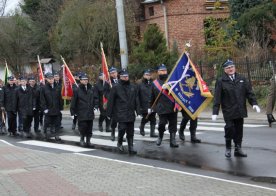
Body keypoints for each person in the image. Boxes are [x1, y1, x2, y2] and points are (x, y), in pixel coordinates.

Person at [212, 59, 261, 158]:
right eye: (228, 68)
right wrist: (215, 112)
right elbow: (217, 97)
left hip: (240, 109)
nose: (230, 69)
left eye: (232, 67)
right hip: (228, 110)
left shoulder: (241, 78)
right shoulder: (221, 81)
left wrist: (254, 104)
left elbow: (249, 93)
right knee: (230, 128)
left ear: (235, 67)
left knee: (239, 130)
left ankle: (238, 149)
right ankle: (228, 148)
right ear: (225, 70)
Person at [107, 69, 140, 155]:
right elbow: (111, 101)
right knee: (121, 129)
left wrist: (138, 111)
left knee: (130, 131)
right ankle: (120, 142)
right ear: (120, 77)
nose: (126, 78)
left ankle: (130, 147)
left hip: (130, 113)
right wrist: (109, 114)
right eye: (124, 77)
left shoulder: (133, 87)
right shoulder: (115, 87)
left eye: (127, 76)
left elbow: (136, 100)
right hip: (120, 112)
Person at [149, 64, 179, 148]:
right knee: (162, 124)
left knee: (173, 124)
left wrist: (169, 88)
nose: (164, 72)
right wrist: (150, 107)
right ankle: (160, 136)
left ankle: (172, 141)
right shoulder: (154, 83)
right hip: (161, 107)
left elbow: (178, 92)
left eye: (165, 70)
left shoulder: (172, 80)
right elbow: (151, 96)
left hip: (172, 106)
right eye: (162, 71)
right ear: (158, 72)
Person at [70, 73, 99, 147]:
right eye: (84, 80)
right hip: (81, 112)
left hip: (90, 112)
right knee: (82, 127)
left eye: (86, 79)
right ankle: (82, 139)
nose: (85, 81)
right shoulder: (77, 90)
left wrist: (96, 106)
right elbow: (73, 102)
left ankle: (88, 141)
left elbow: (95, 98)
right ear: (80, 80)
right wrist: (72, 112)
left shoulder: (91, 88)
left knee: (89, 127)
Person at [40, 73, 63, 142]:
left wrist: (60, 107)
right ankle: (44, 133)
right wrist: (45, 108)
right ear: (47, 79)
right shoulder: (44, 88)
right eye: (49, 79)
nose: (51, 80)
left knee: (57, 123)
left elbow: (60, 98)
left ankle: (57, 135)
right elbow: (42, 99)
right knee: (47, 122)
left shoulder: (58, 87)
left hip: (56, 108)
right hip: (48, 108)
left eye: (52, 78)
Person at [137, 69, 157, 137]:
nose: (148, 76)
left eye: (149, 75)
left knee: (153, 118)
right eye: (146, 75)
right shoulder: (139, 84)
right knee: (146, 117)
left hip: (152, 104)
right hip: (144, 104)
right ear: (143, 75)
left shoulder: (153, 83)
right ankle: (142, 127)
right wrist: (138, 107)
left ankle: (152, 133)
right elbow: (137, 96)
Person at [104, 66, 119, 141]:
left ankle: (121, 135)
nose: (114, 74)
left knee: (122, 121)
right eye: (112, 73)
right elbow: (105, 92)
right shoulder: (108, 82)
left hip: (121, 103)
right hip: (113, 104)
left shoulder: (120, 80)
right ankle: (112, 133)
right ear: (109, 74)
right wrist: (110, 96)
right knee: (114, 120)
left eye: (115, 72)